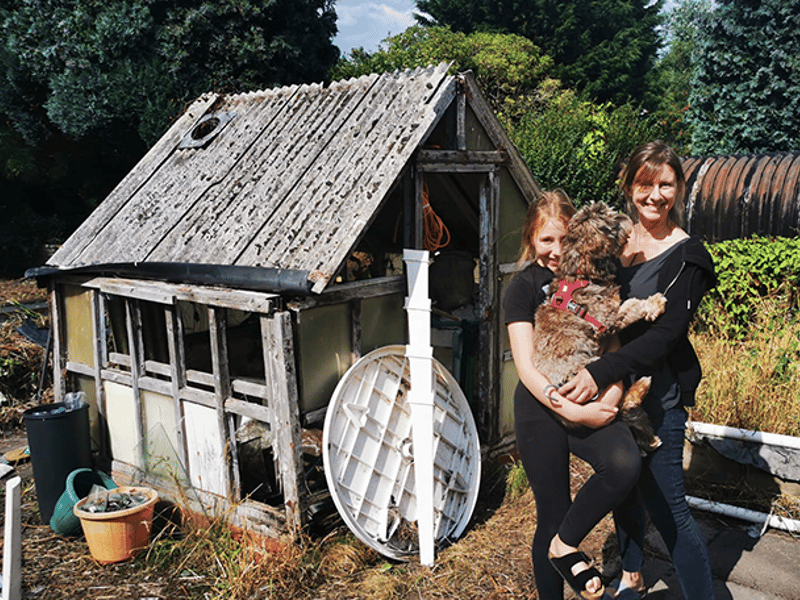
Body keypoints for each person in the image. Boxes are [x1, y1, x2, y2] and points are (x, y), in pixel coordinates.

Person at [558, 141, 717, 600]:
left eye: (665, 184)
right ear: (630, 186)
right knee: (624, 486)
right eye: (645, 184)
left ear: (679, 188)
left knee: (669, 509)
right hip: (610, 390)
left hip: (657, 394)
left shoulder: (689, 257)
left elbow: (664, 336)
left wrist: (599, 370)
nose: (654, 195)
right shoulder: (616, 241)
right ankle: (632, 575)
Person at [504, 189, 643, 600]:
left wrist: (612, 398)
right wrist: (575, 413)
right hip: (539, 405)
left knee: (624, 464)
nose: (555, 249)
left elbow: (613, 350)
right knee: (552, 512)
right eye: (546, 240)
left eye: (564, 239)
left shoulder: (595, 277)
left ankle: (565, 547)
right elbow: (525, 367)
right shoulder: (523, 287)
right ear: (532, 240)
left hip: (590, 397)